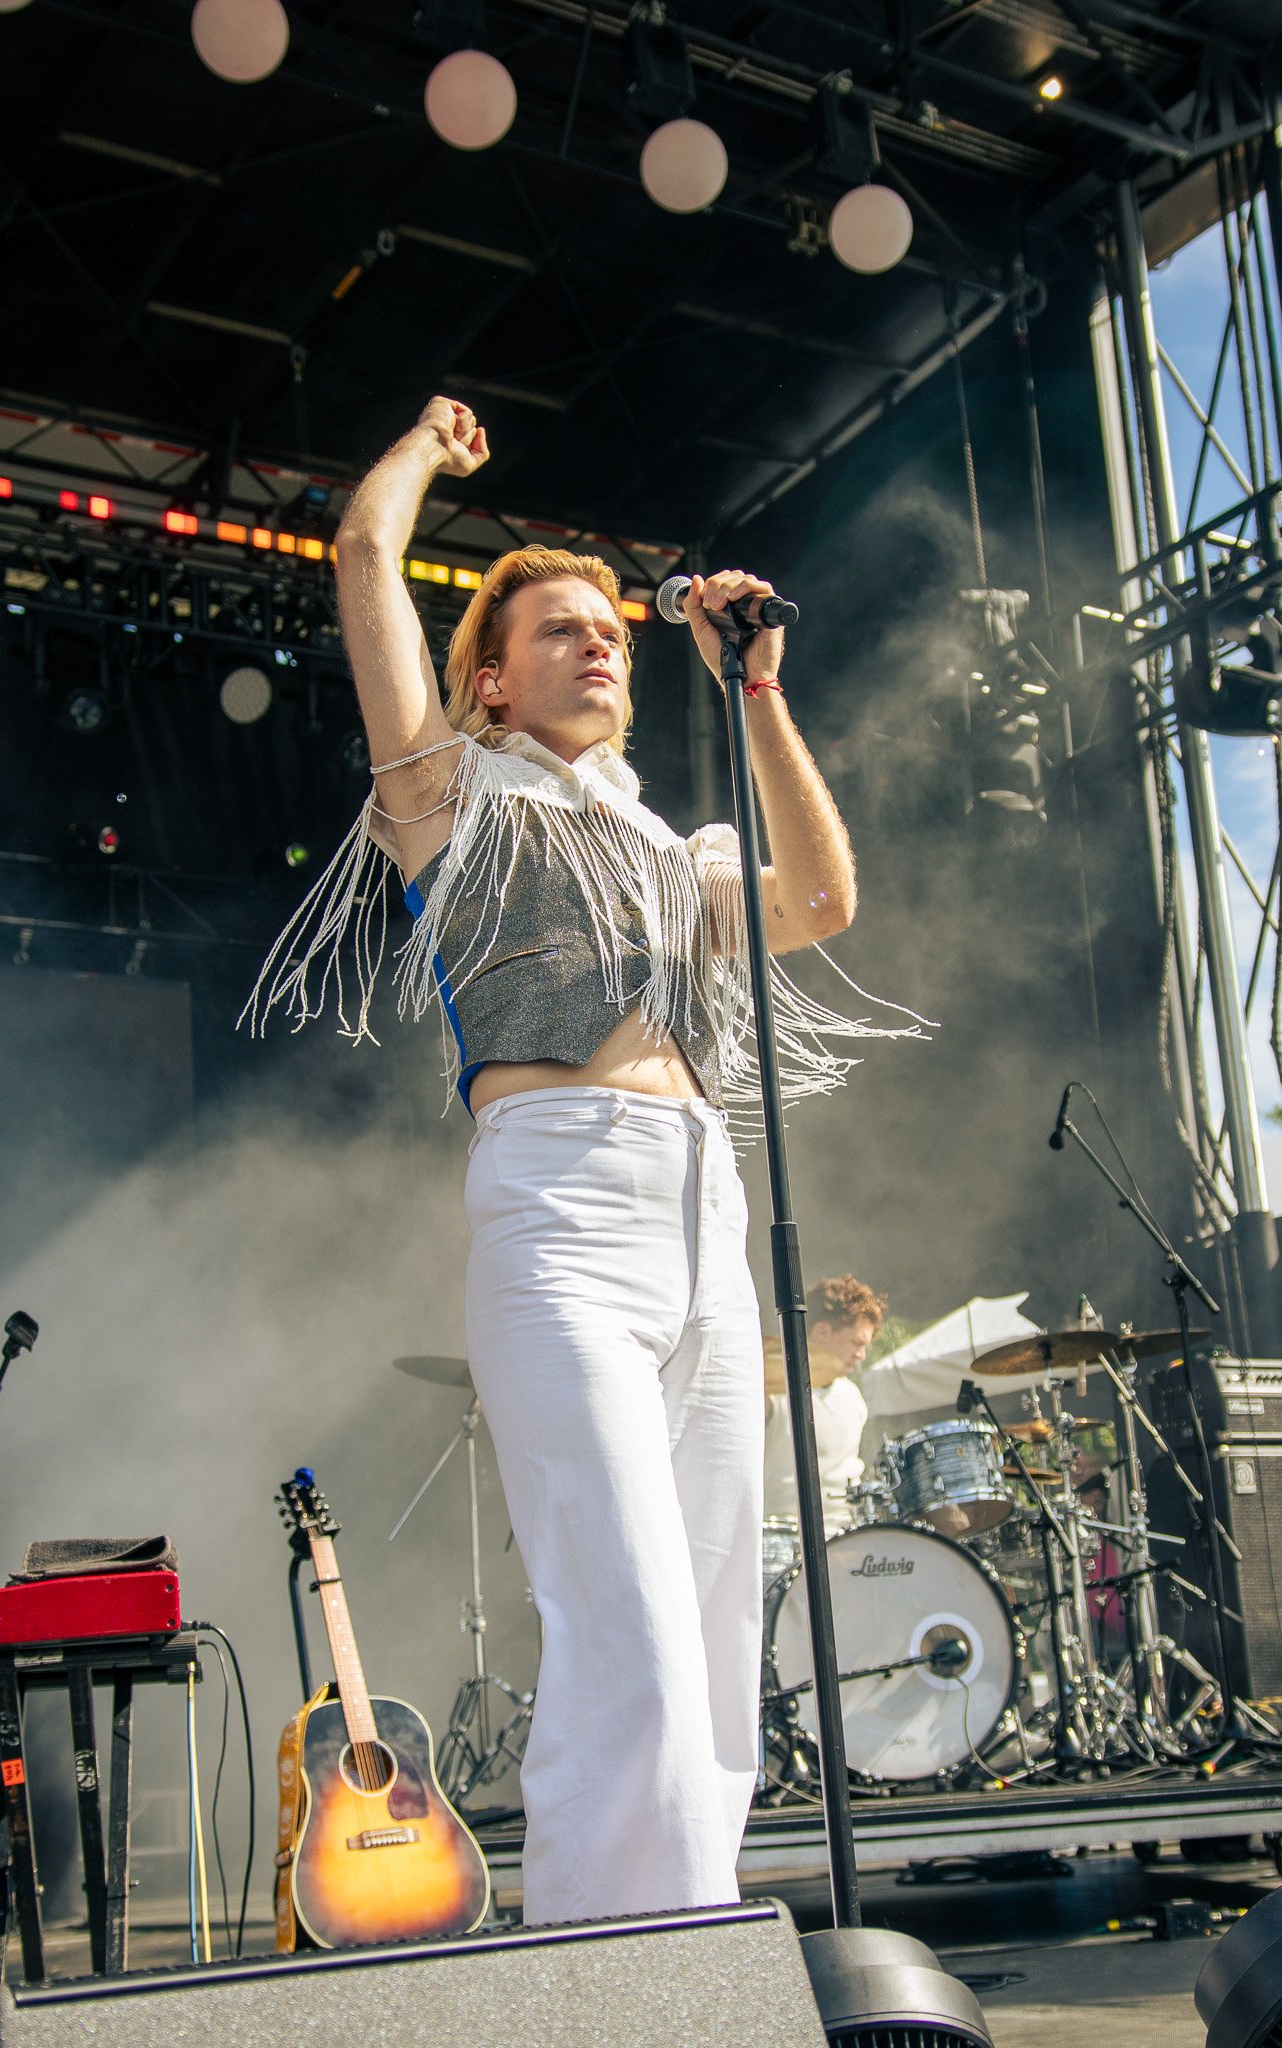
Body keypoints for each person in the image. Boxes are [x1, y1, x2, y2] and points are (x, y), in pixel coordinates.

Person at [245, 396, 921, 1925]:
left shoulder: (671, 847)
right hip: (558, 1203)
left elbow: (821, 899)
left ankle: (679, 1944)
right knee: (623, 1618)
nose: (600, 644)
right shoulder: (453, 799)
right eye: (559, 630)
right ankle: (616, 1978)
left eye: (610, 628)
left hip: (702, 1209)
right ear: (489, 679)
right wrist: (423, 445)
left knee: (714, 1626)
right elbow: (361, 553)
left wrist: (756, 694)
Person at [763, 1274, 887, 1535]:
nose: (862, 1355)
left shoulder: (853, 1398)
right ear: (822, 1332)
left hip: (846, 1537)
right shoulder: (771, 1393)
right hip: (780, 1538)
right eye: (856, 1343)